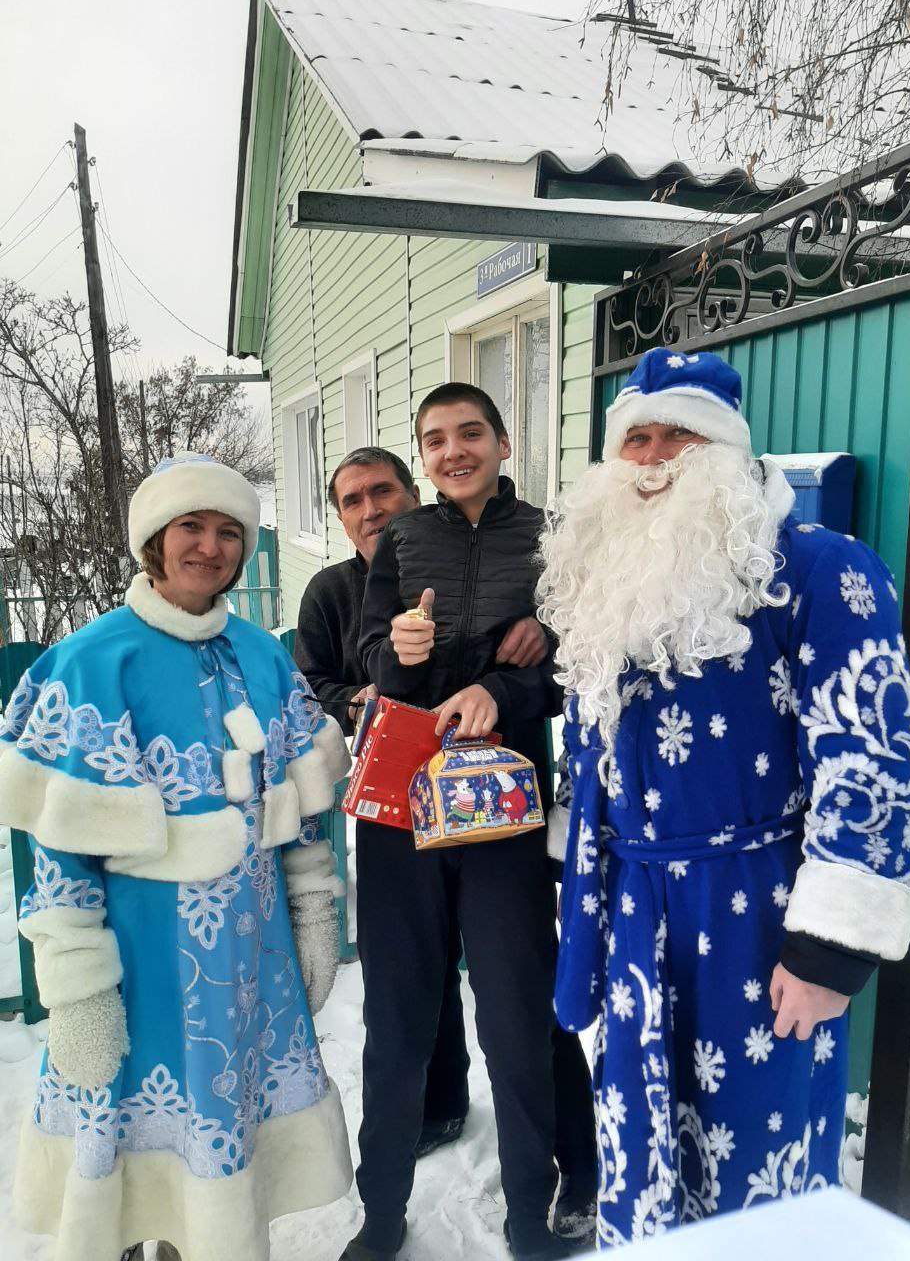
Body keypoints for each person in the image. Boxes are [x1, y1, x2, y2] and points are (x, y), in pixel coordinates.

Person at [537, 347, 910, 1244]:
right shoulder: (609, 586)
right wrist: (586, 910)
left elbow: (872, 755)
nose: (654, 459)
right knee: (641, 1154)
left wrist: (830, 950)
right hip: (636, 918)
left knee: (759, 1158)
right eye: (636, 439)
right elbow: (591, 763)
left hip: (758, 919)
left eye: (680, 436)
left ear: (726, 451)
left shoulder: (821, 569)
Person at [0, 453, 354, 1261]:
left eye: (230, 531)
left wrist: (312, 909)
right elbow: (62, 842)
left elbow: (303, 807)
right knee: (132, 1131)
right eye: (191, 526)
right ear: (154, 540)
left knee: (228, 1131)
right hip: (142, 958)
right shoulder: (95, 659)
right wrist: (78, 988)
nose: (211, 546)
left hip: (251, 957)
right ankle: (133, 1242)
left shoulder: (262, 655)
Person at [343, 385, 596, 1261]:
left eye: (470, 433)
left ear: (503, 441)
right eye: (435, 439)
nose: (453, 450)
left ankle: (531, 1216)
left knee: (519, 1018)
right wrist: (398, 653)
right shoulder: (402, 538)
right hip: (401, 812)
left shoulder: (554, 539)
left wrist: (506, 685)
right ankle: (381, 1217)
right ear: (423, 455)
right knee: (398, 1022)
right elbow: (368, 656)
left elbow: (579, 662)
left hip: (502, 807)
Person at [296, 444, 545, 1157]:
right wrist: (356, 701)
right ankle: (436, 1107)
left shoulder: (486, 557)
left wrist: (544, 634)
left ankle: (544, 1146)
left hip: (489, 794)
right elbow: (309, 682)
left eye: (383, 491)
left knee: (510, 978)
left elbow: (550, 638)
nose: (370, 509)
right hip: (395, 796)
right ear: (340, 518)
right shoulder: (331, 593)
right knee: (411, 973)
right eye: (352, 500)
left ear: (414, 494)